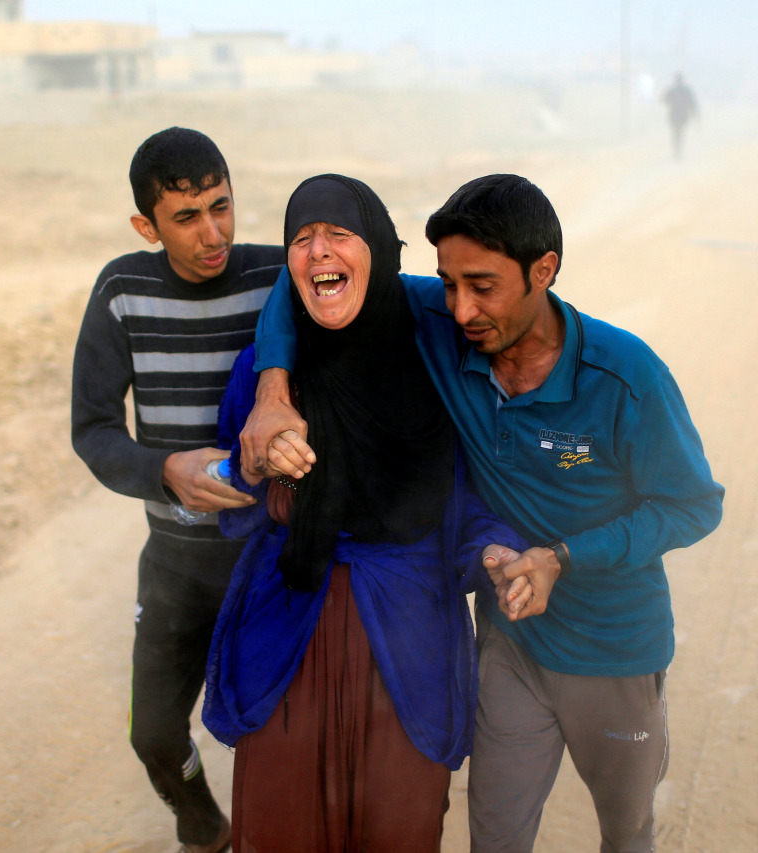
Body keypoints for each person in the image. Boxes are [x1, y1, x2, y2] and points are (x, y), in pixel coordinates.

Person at [243, 174, 724, 852]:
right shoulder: (445, 328)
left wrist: (563, 557)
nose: (462, 309)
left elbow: (694, 505)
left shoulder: (625, 377)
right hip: (510, 648)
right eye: (446, 283)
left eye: (482, 285)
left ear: (544, 271)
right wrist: (270, 385)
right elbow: (307, 282)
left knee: (627, 832)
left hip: (614, 651)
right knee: (493, 838)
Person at [201, 174, 526, 852]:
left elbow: (478, 499)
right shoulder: (260, 373)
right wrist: (250, 466)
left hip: (408, 632)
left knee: (398, 824)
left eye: (338, 234)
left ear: (376, 247)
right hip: (287, 622)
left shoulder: (440, 357)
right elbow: (235, 494)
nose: (318, 251)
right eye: (301, 238)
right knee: (280, 823)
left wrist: (496, 550)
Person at [70, 126, 284, 853]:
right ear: (146, 226)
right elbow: (93, 430)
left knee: (277, 734)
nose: (213, 232)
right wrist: (166, 471)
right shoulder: (123, 291)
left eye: (222, 206)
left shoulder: (279, 277)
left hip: (273, 556)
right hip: (175, 560)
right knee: (155, 735)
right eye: (187, 218)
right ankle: (203, 825)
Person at [662, 73, 700, 161]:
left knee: (676, 132)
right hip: (683, 114)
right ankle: (678, 151)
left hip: (674, 114)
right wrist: (696, 115)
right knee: (680, 132)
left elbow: (664, 100)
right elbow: (692, 103)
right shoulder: (687, 91)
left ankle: (677, 151)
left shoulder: (672, 90)